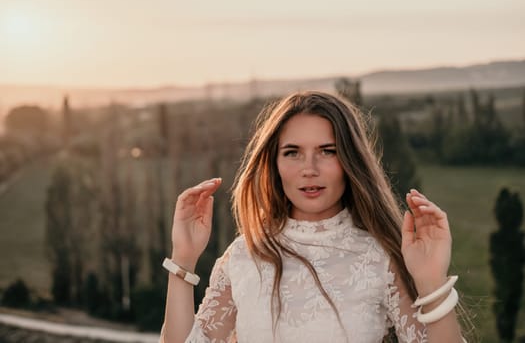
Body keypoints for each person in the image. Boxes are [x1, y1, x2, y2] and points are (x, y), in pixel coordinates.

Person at [160, 91, 465, 342]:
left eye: (327, 151)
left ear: (350, 160)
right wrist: (184, 258)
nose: (310, 168)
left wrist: (431, 280)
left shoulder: (379, 257)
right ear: (274, 164)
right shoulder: (243, 256)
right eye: (292, 152)